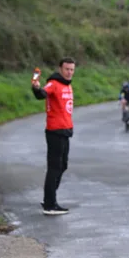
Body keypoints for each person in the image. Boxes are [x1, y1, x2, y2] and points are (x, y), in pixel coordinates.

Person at [32, 57, 76, 216]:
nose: (69, 72)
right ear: (60, 69)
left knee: (63, 165)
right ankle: (50, 204)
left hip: (65, 131)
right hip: (55, 131)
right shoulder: (54, 83)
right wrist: (36, 88)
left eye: (72, 69)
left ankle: (49, 198)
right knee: (54, 167)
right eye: (66, 69)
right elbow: (42, 93)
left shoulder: (68, 85)